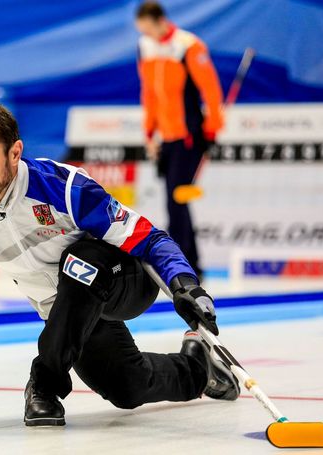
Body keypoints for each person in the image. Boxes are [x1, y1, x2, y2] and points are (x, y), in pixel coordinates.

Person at [0, 102, 238, 427]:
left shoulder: (64, 188)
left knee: (79, 261)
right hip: (67, 311)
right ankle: (200, 369)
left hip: (123, 281)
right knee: (126, 387)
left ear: (14, 152)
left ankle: (44, 383)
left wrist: (185, 285)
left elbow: (150, 239)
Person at [135, 1, 225, 280]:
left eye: (149, 29)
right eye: (142, 31)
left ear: (161, 21)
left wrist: (211, 130)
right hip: (166, 138)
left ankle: (184, 266)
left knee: (177, 199)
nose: (147, 35)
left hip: (189, 135)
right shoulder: (145, 47)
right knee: (175, 200)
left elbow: (210, 91)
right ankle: (188, 263)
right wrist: (149, 133)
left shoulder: (188, 45)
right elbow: (149, 93)